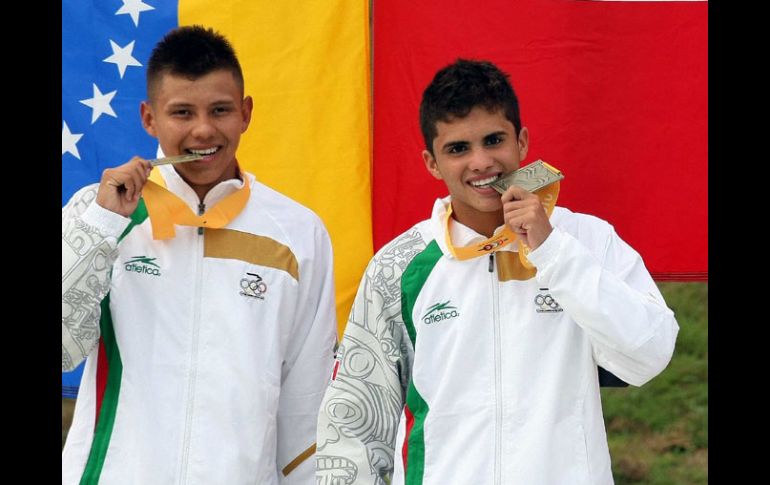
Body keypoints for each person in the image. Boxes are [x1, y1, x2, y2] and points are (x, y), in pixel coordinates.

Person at [315, 59, 679, 485]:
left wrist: (553, 252)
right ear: (432, 162)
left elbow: (649, 355)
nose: (481, 162)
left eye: (494, 140)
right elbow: (355, 421)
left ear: (521, 141)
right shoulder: (399, 265)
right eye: (458, 149)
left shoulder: (586, 240)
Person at [62, 25, 337, 484]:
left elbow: (307, 404)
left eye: (220, 110)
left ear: (246, 113)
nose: (203, 129)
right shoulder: (100, 211)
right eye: (182, 112)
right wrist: (101, 225)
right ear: (149, 118)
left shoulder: (298, 233)